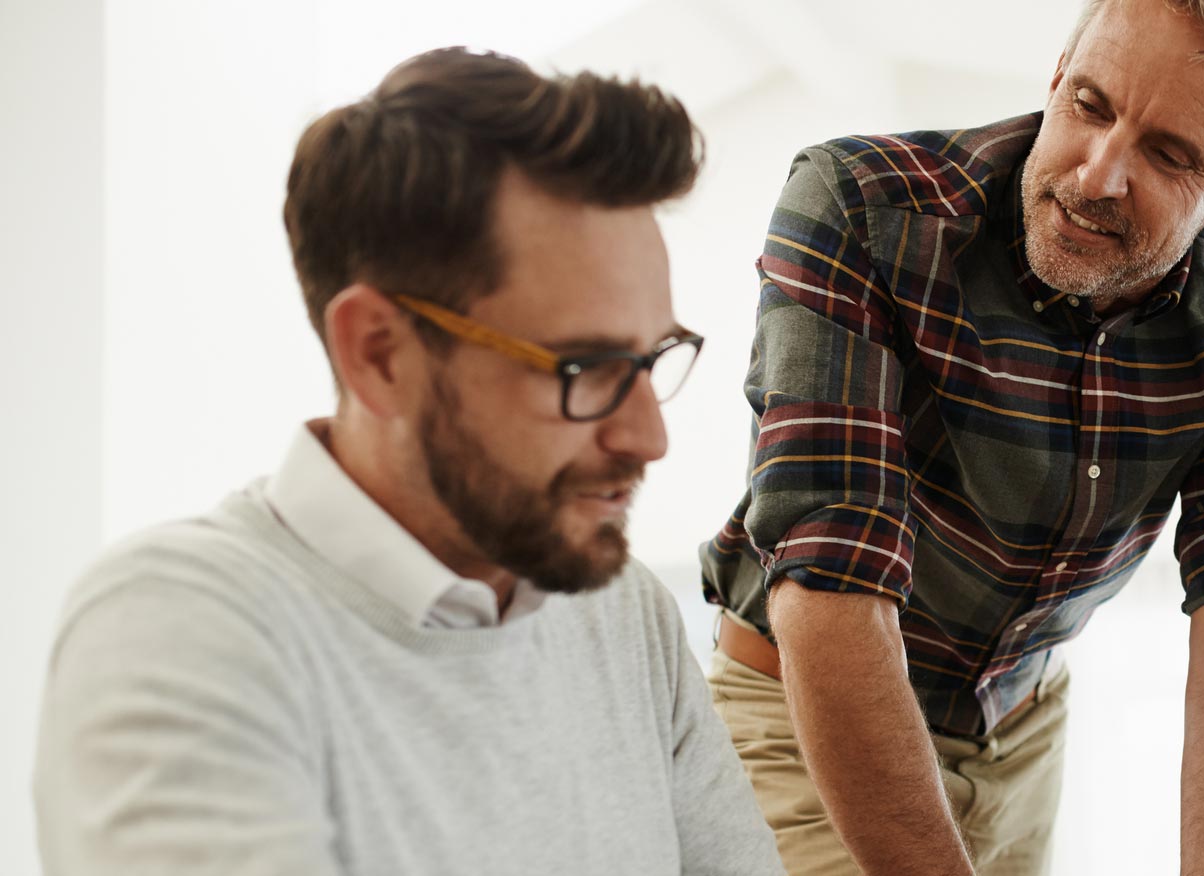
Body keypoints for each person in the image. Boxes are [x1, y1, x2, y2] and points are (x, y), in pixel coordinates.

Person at [34, 47, 783, 876]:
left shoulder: (621, 613)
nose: (648, 437)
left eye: (651, 361)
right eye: (584, 369)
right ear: (380, 354)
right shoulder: (180, 627)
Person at [697, 0, 1204, 872]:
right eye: (1089, 105)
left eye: (1169, 155)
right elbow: (830, 572)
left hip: (1023, 732)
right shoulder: (864, 207)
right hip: (803, 709)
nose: (1096, 175)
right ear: (1056, 75)